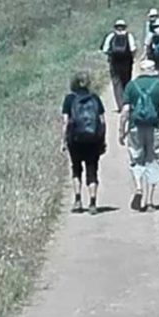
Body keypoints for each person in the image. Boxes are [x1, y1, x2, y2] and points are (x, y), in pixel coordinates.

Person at [120, 59, 159, 212]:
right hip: (154, 127)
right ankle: (150, 201)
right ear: (154, 69)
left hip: (135, 127)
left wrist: (121, 131)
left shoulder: (131, 86)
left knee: (136, 158)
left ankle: (138, 187)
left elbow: (125, 111)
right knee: (153, 160)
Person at [61, 70, 107, 214]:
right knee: (92, 170)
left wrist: (63, 141)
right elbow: (102, 121)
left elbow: (65, 122)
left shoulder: (69, 99)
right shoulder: (95, 98)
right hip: (93, 140)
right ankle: (93, 203)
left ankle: (77, 200)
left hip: (75, 139)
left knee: (76, 168)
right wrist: (102, 139)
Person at [100, 18, 138, 110]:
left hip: (114, 63)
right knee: (127, 83)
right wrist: (132, 57)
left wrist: (111, 55)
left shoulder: (111, 36)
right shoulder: (129, 36)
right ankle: (127, 103)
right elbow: (133, 49)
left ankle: (120, 105)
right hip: (127, 63)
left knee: (117, 84)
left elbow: (104, 50)